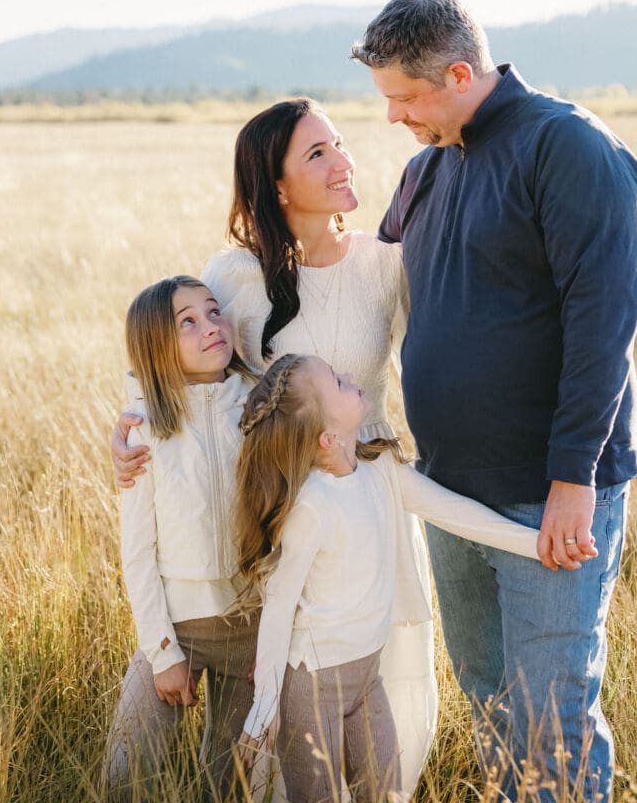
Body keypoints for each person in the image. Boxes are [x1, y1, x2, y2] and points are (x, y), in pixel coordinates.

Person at [350, 0, 637, 801]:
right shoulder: (425, 170)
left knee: (553, 720)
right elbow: (356, 296)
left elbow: (603, 327)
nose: (393, 118)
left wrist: (572, 480)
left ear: (455, 73)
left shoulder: (569, 147)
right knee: (491, 700)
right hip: (450, 490)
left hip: (545, 495)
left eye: (404, 98)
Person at [110, 99, 436, 794]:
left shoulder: (387, 265)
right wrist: (131, 425)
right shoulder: (234, 275)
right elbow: (185, 365)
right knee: (284, 692)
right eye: (316, 152)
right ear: (276, 185)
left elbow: (444, 358)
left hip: (364, 492)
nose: (342, 158)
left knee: (373, 683)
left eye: (339, 143)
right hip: (277, 512)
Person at [232, 353, 541, 803]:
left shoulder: (381, 470)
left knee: (383, 788)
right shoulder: (312, 506)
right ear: (327, 437)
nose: (350, 377)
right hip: (311, 686)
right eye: (337, 382)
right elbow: (279, 607)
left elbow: (453, 512)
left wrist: (537, 543)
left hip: (366, 676)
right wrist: (265, 706)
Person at [104, 275, 257, 801]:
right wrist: (164, 651)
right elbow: (138, 551)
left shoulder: (257, 410)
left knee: (231, 779)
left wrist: (275, 633)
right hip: (177, 627)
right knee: (128, 774)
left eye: (214, 312)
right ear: (156, 346)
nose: (210, 326)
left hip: (252, 628)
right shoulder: (145, 429)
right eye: (186, 321)